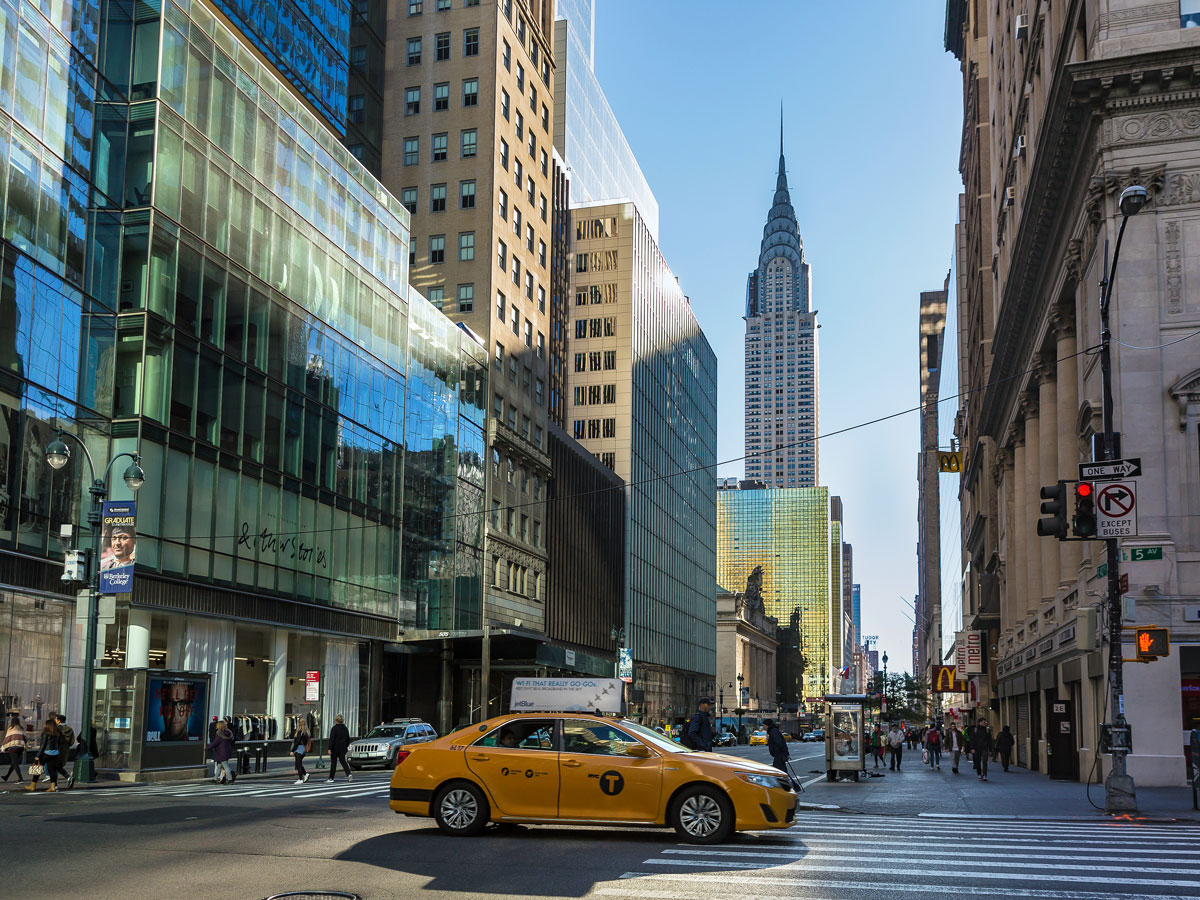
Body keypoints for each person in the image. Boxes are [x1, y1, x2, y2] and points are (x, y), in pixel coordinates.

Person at [28, 719, 62, 792]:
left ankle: (32, 785)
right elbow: (59, 743)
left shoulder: (45, 733)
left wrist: (38, 756)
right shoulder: (57, 733)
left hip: (46, 753)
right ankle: (53, 786)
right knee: (52, 770)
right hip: (55, 753)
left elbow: (43, 745)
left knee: (38, 768)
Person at [205, 719, 236, 784]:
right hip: (227, 751)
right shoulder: (228, 733)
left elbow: (215, 743)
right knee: (219, 766)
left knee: (225, 766)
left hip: (221, 752)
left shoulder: (219, 734)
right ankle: (215, 779)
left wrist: (207, 748)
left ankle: (230, 779)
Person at [327, 714, 352, 782]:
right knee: (343, 761)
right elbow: (348, 739)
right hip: (343, 748)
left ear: (336, 720)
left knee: (333, 763)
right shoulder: (345, 728)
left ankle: (331, 778)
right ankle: (349, 774)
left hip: (335, 748)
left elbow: (332, 739)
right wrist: (346, 746)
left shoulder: (334, 728)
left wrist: (329, 748)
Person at [54, 714, 76, 788]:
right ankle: (68, 777)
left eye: (56, 719)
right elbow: (72, 741)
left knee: (54, 766)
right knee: (58, 766)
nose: (55, 721)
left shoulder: (57, 728)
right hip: (65, 749)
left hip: (56, 749)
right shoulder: (69, 729)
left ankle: (55, 784)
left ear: (59, 720)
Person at [2, 716, 26, 784]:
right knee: (13, 763)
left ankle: (21, 778)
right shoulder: (21, 728)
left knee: (15, 763)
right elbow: (25, 738)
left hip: (13, 748)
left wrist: (3, 746)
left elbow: (7, 738)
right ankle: (6, 776)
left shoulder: (10, 729)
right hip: (20, 748)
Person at [292, 719, 312, 784]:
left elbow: (297, 742)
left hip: (299, 748)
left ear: (299, 724)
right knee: (299, 763)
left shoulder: (300, 732)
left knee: (298, 764)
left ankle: (301, 779)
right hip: (304, 748)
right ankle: (305, 774)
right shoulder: (306, 732)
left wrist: (292, 750)